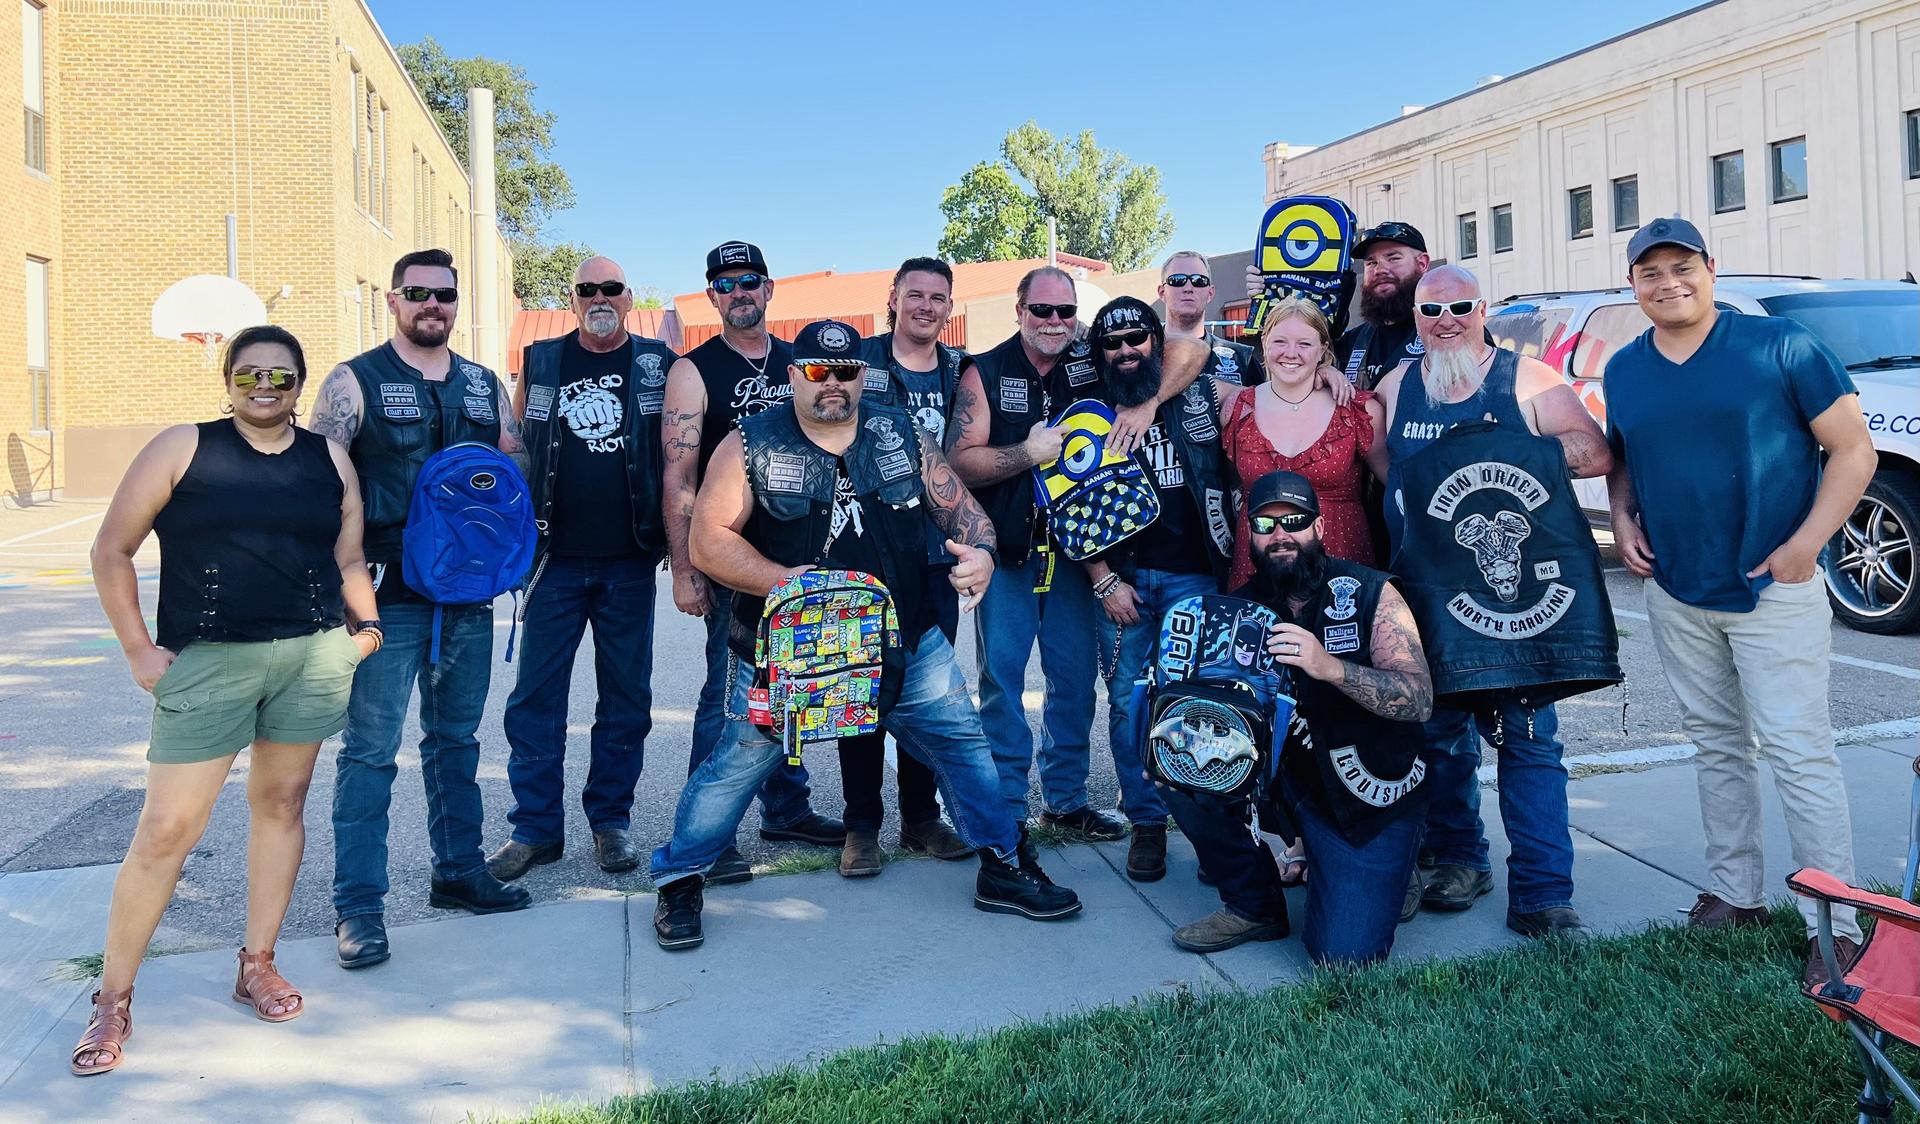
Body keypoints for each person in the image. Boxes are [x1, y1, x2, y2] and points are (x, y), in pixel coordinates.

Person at [650, 321, 1081, 948]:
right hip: (785, 649)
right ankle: (682, 879)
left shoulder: (903, 430)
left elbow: (962, 509)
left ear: (862, 374)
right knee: (734, 767)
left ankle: (1005, 866)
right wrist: (784, 581)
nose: (834, 383)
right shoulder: (748, 442)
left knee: (966, 748)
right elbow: (708, 540)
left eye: (846, 370)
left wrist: (981, 553)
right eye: (818, 371)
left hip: (901, 640)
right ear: (795, 375)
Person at [74, 326, 381, 1075]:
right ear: (229, 381)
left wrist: (365, 631)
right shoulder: (184, 447)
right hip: (209, 664)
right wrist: (139, 650)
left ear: (301, 383)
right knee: (167, 830)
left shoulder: (328, 457)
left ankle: (258, 964)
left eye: (280, 374)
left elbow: (346, 557)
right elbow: (112, 547)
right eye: (250, 375)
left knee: (281, 807)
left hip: (310, 658)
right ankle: (113, 999)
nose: (265, 386)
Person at [1604, 217, 1874, 988]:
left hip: (1773, 587)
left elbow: (1854, 450)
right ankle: (1736, 893)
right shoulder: (1626, 368)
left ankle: (1839, 923)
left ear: (1711, 269)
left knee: (1798, 749)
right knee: (1717, 744)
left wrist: (1806, 544)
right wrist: (1623, 518)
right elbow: (1625, 458)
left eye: (1681, 267)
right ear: (1634, 284)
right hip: (1679, 590)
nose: (1667, 283)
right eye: (1649, 272)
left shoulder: (1780, 347)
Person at [1371, 264, 1612, 939]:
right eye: (1431, 310)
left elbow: (1593, 451)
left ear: (1484, 310)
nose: (1446, 319)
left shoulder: (1526, 379)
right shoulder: (1397, 386)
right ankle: (1460, 861)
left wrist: (1511, 452)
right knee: (1439, 738)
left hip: (1518, 604)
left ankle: (1543, 892)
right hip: (1431, 598)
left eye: (1461, 306)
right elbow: (1378, 462)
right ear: (1414, 318)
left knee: (1529, 742)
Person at [307, 248, 532, 970]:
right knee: (371, 752)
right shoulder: (355, 381)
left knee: (457, 741)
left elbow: (509, 469)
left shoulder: (481, 383)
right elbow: (316, 481)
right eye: (418, 294)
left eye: (445, 296)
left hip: (465, 598)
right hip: (384, 595)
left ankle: (459, 872)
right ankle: (359, 907)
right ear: (395, 301)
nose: (432, 306)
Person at [949, 268, 1212, 840]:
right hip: (1011, 554)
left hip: (1079, 555)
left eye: (1065, 311)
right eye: (1042, 310)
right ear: (1020, 310)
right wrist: (1027, 452)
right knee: (1004, 683)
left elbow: (1191, 349)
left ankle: (1065, 801)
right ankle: (1008, 814)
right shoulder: (986, 370)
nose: (1054, 322)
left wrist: (1147, 406)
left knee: (1072, 684)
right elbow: (961, 461)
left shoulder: (1090, 359)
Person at [1166, 471, 1433, 965]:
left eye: (1294, 521)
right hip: (1291, 780)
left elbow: (1418, 698)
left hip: (1368, 791)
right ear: (1250, 534)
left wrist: (1329, 667)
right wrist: (1171, 747)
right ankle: (1255, 904)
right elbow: (1207, 711)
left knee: (1343, 955)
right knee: (1179, 760)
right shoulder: (1240, 608)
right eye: (1264, 525)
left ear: (1320, 526)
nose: (1280, 534)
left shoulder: (1373, 593)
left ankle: (1394, 861)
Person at [660, 241, 844, 886]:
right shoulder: (693, 369)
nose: (739, 293)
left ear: (770, 291)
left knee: (789, 687)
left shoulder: (802, 363)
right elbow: (679, 476)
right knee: (725, 696)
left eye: (750, 282)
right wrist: (685, 568)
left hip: (800, 555)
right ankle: (710, 836)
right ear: (712, 297)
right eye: (726, 284)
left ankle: (786, 809)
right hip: (730, 557)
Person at [485, 256, 673, 882]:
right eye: (586, 288)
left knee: (626, 699)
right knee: (535, 700)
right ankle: (535, 830)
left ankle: (610, 821)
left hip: (629, 560)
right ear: (573, 298)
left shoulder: (658, 361)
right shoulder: (541, 360)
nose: (599, 296)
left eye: (611, 288)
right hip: (553, 562)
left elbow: (681, 454)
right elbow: (512, 451)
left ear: (627, 298)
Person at [1080, 297, 1237, 882]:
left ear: (1155, 340)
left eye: (1137, 339)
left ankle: (1208, 826)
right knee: (1128, 704)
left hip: (1195, 573)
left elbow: (1196, 346)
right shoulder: (1085, 410)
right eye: (1112, 344)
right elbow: (1069, 506)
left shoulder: (1195, 390)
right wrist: (1101, 581)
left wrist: (1149, 402)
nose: (1125, 352)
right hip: (1122, 581)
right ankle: (1146, 824)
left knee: (1202, 702)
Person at [834, 256, 976, 876]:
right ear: (892, 298)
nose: (926, 306)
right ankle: (860, 827)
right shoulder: (856, 364)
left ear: (949, 306)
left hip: (937, 558)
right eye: (914, 295)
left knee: (929, 697)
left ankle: (921, 819)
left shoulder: (962, 371)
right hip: (868, 551)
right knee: (859, 692)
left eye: (937, 297)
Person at [1222, 297, 1385, 589]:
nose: (1291, 353)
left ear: (1323, 349)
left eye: (1305, 344)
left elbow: (1395, 483)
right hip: (1259, 565)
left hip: (1340, 561)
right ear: (1265, 341)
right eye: (1280, 341)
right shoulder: (1238, 408)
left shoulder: (1357, 410)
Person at [1159, 250, 1259, 386]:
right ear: (1162, 292)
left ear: (1210, 293)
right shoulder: (1141, 357)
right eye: (1177, 280)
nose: (1188, 288)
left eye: (1199, 281)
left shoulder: (1243, 360)